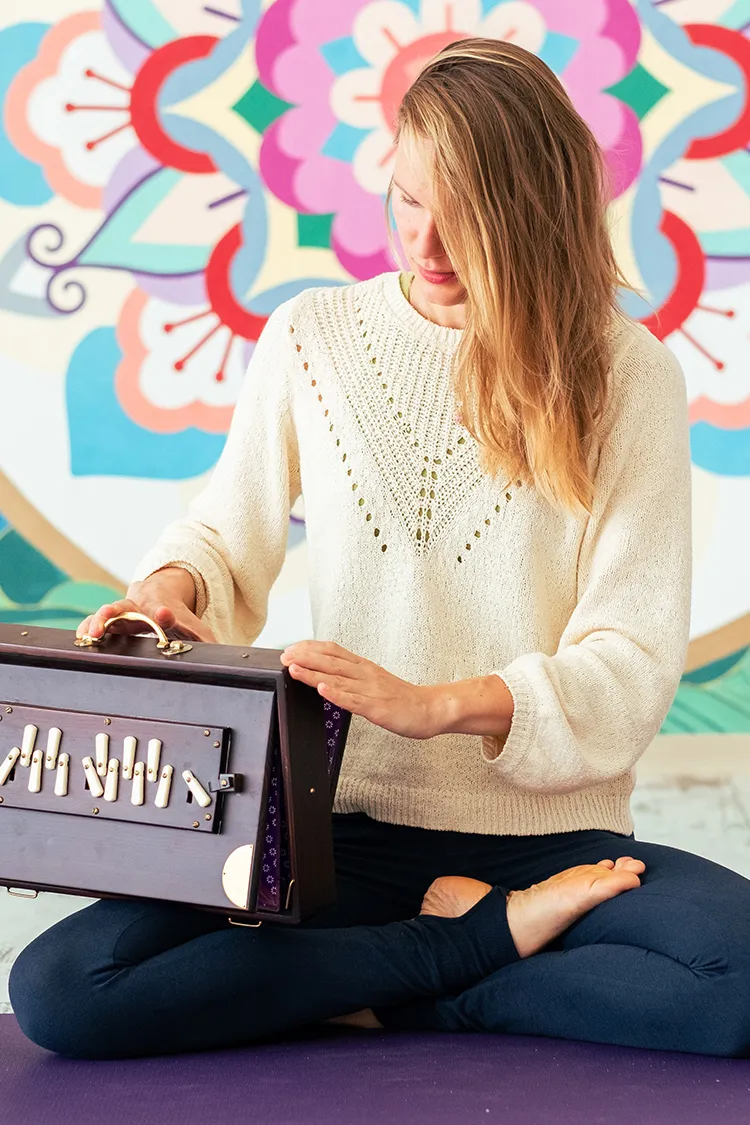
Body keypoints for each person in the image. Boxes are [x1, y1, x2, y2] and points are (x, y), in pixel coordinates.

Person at [10, 38, 750, 1061]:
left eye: (468, 218)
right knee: (63, 989)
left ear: (531, 212)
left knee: (734, 987)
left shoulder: (628, 375)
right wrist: (170, 591)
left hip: (552, 841)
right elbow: (228, 536)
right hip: (337, 833)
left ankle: (431, 968)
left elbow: (628, 663)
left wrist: (436, 703)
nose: (428, 242)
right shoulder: (312, 337)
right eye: (408, 201)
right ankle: (470, 950)